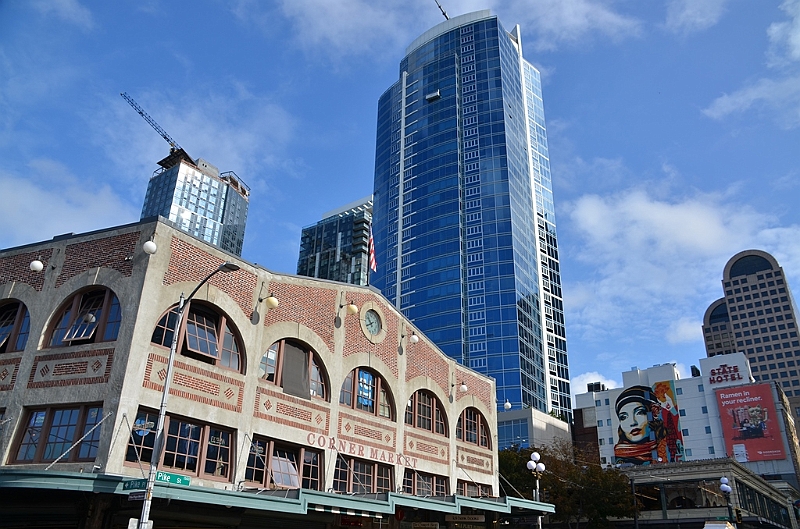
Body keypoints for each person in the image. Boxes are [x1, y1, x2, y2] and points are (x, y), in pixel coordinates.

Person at [614, 385, 667, 465]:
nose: (633, 422)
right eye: (623, 417)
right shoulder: (620, 457)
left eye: (639, 413)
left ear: (652, 415)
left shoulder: (667, 447)